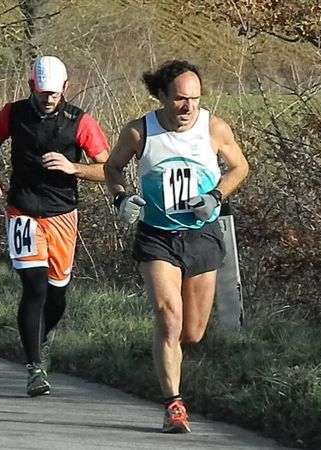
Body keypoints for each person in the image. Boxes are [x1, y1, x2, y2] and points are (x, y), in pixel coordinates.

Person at [104, 60, 249, 433]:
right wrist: (122, 198)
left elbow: (240, 167)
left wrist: (215, 197)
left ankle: (166, 355)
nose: (188, 108)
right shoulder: (140, 131)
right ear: (162, 96)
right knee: (168, 319)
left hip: (201, 236)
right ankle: (174, 404)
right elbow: (113, 167)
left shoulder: (214, 128)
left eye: (195, 100)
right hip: (157, 236)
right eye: (181, 99)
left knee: (193, 332)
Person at [0, 55, 109, 397]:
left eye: (53, 92)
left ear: (66, 88)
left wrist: (73, 168)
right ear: (30, 87)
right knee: (34, 286)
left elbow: (108, 169)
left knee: (56, 294)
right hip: (22, 209)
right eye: (41, 92)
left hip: (62, 213)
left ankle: (42, 339)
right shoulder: (13, 113)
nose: (47, 98)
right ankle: (35, 367)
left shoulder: (80, 122)